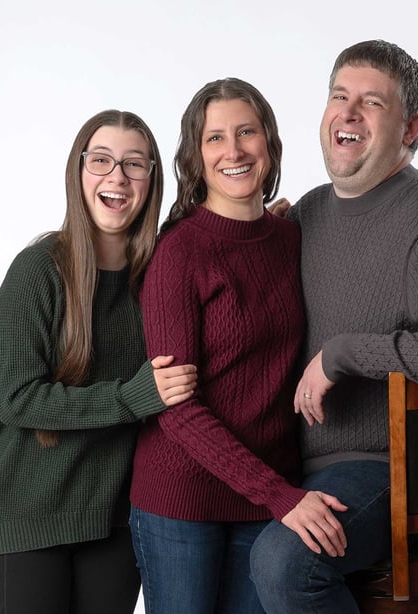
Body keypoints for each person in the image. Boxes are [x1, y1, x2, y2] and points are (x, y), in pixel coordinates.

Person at [249, 40, 418, 614]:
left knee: (286, 562)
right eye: (339, 96)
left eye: (372, 102)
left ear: (410, 128)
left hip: (392, 468)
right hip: (299, 463)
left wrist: (345, 355)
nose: (348, 113)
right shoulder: (307, 213)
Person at [128, 78, 348, 614]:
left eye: (246, 132)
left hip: (266, 498)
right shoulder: (179, 252)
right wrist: (278, 494)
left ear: (269, 143)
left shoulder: (290, 238)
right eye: (215, 138)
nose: (234, 151)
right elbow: (178, 410)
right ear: (195, 156)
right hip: (183, 500)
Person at [0, 109, 198, 614]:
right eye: (101, 160)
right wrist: (130, 399)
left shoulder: (156, 279)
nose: (117, 176)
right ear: (78, 171)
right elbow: (17, 398)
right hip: (25, 517)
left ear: (151, 180)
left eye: (134, 164)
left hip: (114, 519)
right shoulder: (38, 270)